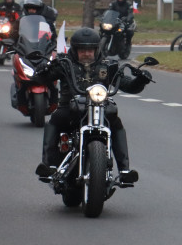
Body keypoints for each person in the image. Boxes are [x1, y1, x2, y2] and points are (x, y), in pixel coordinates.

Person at [34, 27, 151, 186]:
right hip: (70, 107)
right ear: (75, 50)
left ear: (97, 49)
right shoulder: (64, 63)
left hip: (100, 106)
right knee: (55, 120)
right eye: (82, 50)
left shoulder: (107, 65)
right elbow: (42, 79)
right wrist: (41, 69)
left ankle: (124, 171)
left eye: (90, 50)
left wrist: (141, 81)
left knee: (116, 123)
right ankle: (49, 165)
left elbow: (128, 85)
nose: (87, 53)